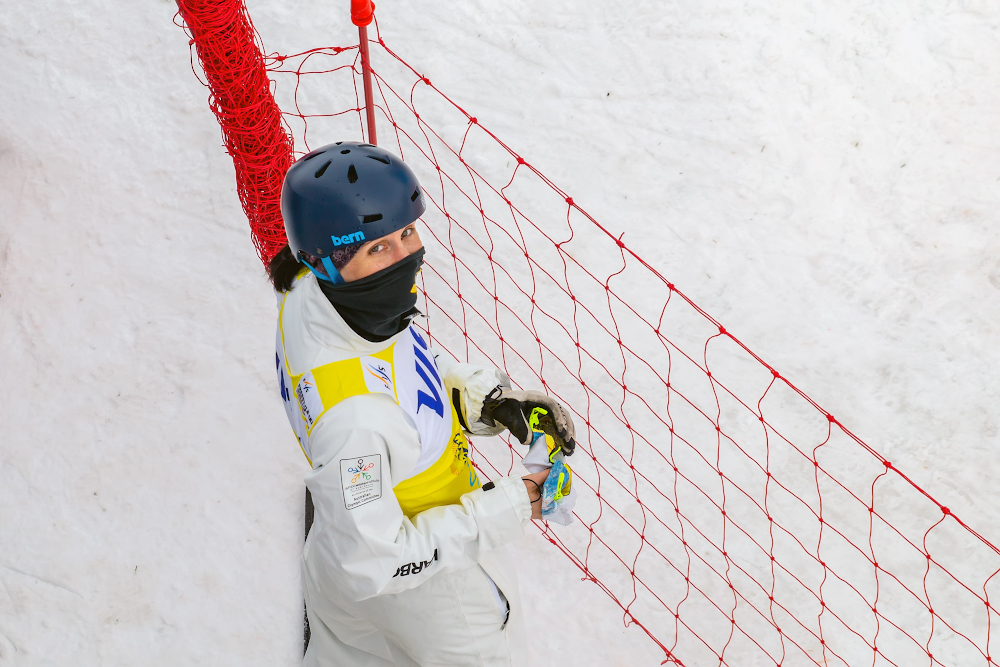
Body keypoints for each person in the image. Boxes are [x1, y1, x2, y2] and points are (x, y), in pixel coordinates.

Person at [268, 141, 577, 666]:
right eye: (377, 249)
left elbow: (400, 378)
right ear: (327, 262)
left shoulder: (318, 296)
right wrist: (509, 505)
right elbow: (375, 562)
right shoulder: (356, 422)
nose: (406, 259)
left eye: (407, 233)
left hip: (341, 546)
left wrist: (482, 401)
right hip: (429, 589)